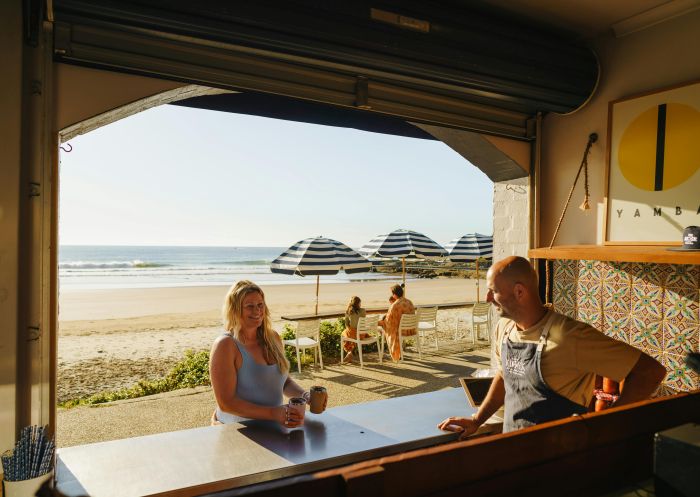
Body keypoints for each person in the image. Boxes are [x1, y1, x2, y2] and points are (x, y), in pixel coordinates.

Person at [439, 256, 666, 439]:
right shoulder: (504, 328)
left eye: (493, 290)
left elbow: (650, 371)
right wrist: (478, 420)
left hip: (559, 459)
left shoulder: (570, 336)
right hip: (513, 449)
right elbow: (505, 375)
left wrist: (612, 420)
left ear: (519, 292)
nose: (488, 297)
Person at [210, 280, 328, 426]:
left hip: (271, 428)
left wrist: (305, 396)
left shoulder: (274, 338)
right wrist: (274, 413)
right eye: (249, 306)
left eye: (260, 305)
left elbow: (283, 382)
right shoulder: (226, 345)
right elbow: (226, 404)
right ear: (235, 310)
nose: (257, 311)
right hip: (237, 431)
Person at [378, 283, 416, 361]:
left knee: (382, 327)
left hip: (401, 331)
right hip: (411, 330)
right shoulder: (409, 302)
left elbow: (389, 322)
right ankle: (399, 352)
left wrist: (381, 321)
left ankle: (392, 351)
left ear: (394, 294)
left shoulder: (395, 305)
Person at [341, 296, 367, 363]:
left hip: (354, 335)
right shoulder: (363, 311)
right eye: (360, 303)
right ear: (358, 303)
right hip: (362, 334)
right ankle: (350, 352)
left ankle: (349, 352)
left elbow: (346, 324)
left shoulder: (348, 312)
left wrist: (349, 307)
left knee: (344, 334)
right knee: (350, 333)